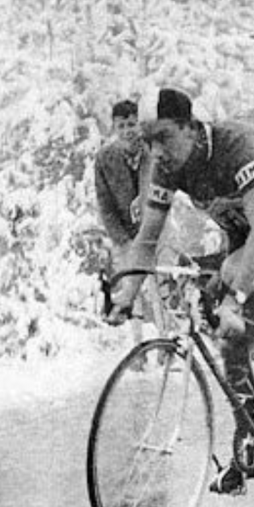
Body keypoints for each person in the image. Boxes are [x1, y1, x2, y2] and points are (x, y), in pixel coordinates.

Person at [110, 87, 254, 495]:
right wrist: (127, 293)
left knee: (232, 280)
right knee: (224, 322)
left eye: (163, 138)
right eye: (148, 141)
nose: (156, 152)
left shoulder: (235, 145)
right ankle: (245, 442)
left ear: (191, 128)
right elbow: (146, 238)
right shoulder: (169, 165)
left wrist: (237, 296)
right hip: (246, 233)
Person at [94, 99, 157, 346]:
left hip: (155, 231)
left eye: (132, 124)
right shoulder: (105, 159)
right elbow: (104, 203)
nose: (128, 131)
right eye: (121, 126)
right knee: (132, 288)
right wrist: (121, 239)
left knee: (161, 288)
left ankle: (168, 345)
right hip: (125, 235)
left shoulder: (152, 153)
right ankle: (138, 345)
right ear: (114, 129)